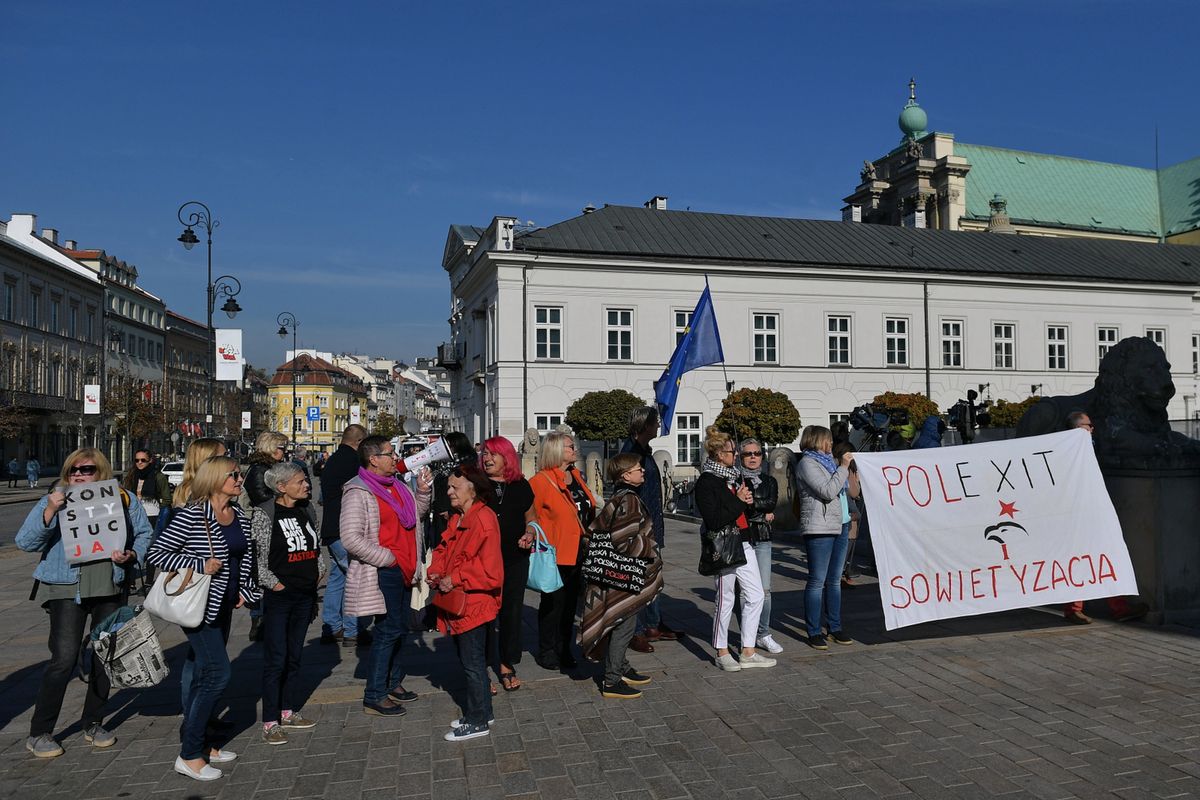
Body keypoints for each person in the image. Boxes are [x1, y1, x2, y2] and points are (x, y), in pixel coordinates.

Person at [16, 448, 153, 759]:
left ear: (100, 471)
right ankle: (40, 731)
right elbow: (26, 542)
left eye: (86, 469)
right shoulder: (55, 497)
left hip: (109, 585)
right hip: (65, 588)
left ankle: (93, 722)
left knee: (104, 657)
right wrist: (50, 511)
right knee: (63, 659)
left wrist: (131, 555)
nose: (78, 475)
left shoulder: (123, 499)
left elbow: (145, 535)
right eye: (73, 470)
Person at [146, 455, 260, 781]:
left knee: (203, 678)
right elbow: (156, 552)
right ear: (213, 480)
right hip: (198, 608)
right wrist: (199, 564)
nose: (240, 480)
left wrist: (245, 591)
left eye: (239, 475)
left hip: (225, 604)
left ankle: (207, 744)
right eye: (233, 475)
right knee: (218, 675)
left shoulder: (237, 513)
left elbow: (244, 557)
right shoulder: (194, 516)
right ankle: (189, 754)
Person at [340, 435, 432, 716]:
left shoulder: (398, 485)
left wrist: (423, 492)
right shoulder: (359, 490)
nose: (396, 458)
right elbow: (351, 538)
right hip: (384, 571)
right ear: (373, 459)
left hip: (405, 568)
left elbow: (414, 516)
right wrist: (387, 559)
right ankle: (375, 694)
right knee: (387, 631)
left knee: (400, 629)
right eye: (390, 453)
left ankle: (393, 682)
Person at [251, 461, 326, 745]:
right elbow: (257, 558)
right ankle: (270, 721)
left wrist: (319, 569)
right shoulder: (265, 514)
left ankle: (288, 710)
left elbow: (314, 543)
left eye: (306, 480)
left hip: (305, 593)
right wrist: (276, 584)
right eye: (300, 481)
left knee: (294, 656)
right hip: (280, 596)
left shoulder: (306, 509)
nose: (307, 485)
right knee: (276, 659)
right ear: (281, 487)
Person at [428, 464, 503, 741]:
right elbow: (444, 548)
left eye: (454, 487)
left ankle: (477, 720)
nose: (448, 492)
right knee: (473, 663)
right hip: (463, 602)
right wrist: (436, 570)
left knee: (472, 664)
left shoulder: (484, 519)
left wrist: (455, 578)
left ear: (472, 489)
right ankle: (483, 711)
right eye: (448, 487)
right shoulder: (459, 516)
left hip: (475, 603)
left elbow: (491, 571)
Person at [579, 452, 664, 699]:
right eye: (638, 468)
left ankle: (621, 667)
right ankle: (612, 680)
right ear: (626, 474)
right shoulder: (629, 500)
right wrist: (652, 548)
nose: (643, 471)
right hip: (621, 576)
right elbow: (623, 541)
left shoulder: (621, 496)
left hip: (614, 574)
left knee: (622, 623)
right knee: (623, 624)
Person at [696, 427, 775, 671]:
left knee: (756, 594)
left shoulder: (733, 476)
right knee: (725, 598)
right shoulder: (707, 482)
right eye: (733, 452)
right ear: (720, 453)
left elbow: (744, 511)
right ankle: (721, 651)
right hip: (724, 545)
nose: (737, 456)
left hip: (744, 541)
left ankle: (748, 650)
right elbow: (714, 518)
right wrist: (739, 500)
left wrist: (749, 503)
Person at [1062, 411, 1149, 624]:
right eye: (1087, 425)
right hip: (1077, 515)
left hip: (1093, 511)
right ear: (1076, 429)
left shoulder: (1090, 448)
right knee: (1081, 560)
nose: (1092, 429)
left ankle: (1118, 607)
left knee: (1107, 557)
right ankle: (1075, 608)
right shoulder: (1067, 451)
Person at [530, 431, 596, 671]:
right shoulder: (540, 481)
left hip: (580, 551)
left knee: (570, 605)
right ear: (556, 451)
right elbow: (531, 517)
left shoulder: (575, 476)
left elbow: (587, 507)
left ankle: (564, 648)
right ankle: (547, 650)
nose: (574, 449)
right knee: (553, 604)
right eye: (569, 447)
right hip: (555, 553)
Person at [620, 406, 679, 654]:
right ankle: (633, 632)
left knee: (653, 577)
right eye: (655, 423)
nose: (658, 426)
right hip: (640, 528)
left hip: (653, 524)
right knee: (637, 580)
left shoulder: (645, 451)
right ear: (644, 425)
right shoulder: (631, 453)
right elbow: (626, 493)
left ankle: (653, 624)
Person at [479, 436, 535, 692]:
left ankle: (506, 663)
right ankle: (480, 668)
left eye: (493, 454)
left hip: (515, 559)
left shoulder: (521, 485)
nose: (487, 458)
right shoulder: (476, 485)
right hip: (482, 561)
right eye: (485, 454)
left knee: (511, 613)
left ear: (507, 457)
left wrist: (530, 533)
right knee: (484, 614)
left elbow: (532, 518)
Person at [796, 425, 854, 650]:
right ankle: (813, 631)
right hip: (820, 528)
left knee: (834, 581)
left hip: (839, 525)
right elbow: (828, 491)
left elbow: (842, 490)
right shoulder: (807, 464)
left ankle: (835, 627)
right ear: (815, 441)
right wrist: (843, 467)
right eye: (826, 440)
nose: (830, 444)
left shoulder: (829, 462)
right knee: (817, 581)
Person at [319, 424, 371, 648]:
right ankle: (352, 630)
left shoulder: (332, 460)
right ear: (358, 442)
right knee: (355, 578)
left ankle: (332, 626)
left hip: (331, 528)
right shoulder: (353, 461)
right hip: (346, 528)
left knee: (338, 579)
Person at [243, 431, 289, 642]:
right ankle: (258, 619)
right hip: (261, 526)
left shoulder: (269, 468)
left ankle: (263, 617)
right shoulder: (260, 470)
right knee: (262, 571)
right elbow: (261, 497)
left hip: (270, 524)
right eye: (281, 447)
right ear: (270, 447)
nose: (284, 451)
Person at [739, 437, 782, 654]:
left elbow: (771, 502)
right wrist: (760, 511)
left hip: (763, 538)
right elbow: (739, 509)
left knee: (765, 590)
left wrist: (751, 503)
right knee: (745, 593)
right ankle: (747, 635)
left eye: (756, 453)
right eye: (748, 454)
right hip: (742, 537)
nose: (753, 457)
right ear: (741, 457)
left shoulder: (769, 481)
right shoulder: (736, 480)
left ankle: (763, 634)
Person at [122, 449, 173, 532]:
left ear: (150, 461)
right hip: (135, 515)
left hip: (152, 515)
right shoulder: (131, 476)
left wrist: (159, 510)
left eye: (143, 460)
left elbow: (167, 499)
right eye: (137, 460)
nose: (140, 462)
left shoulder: (158, 476)